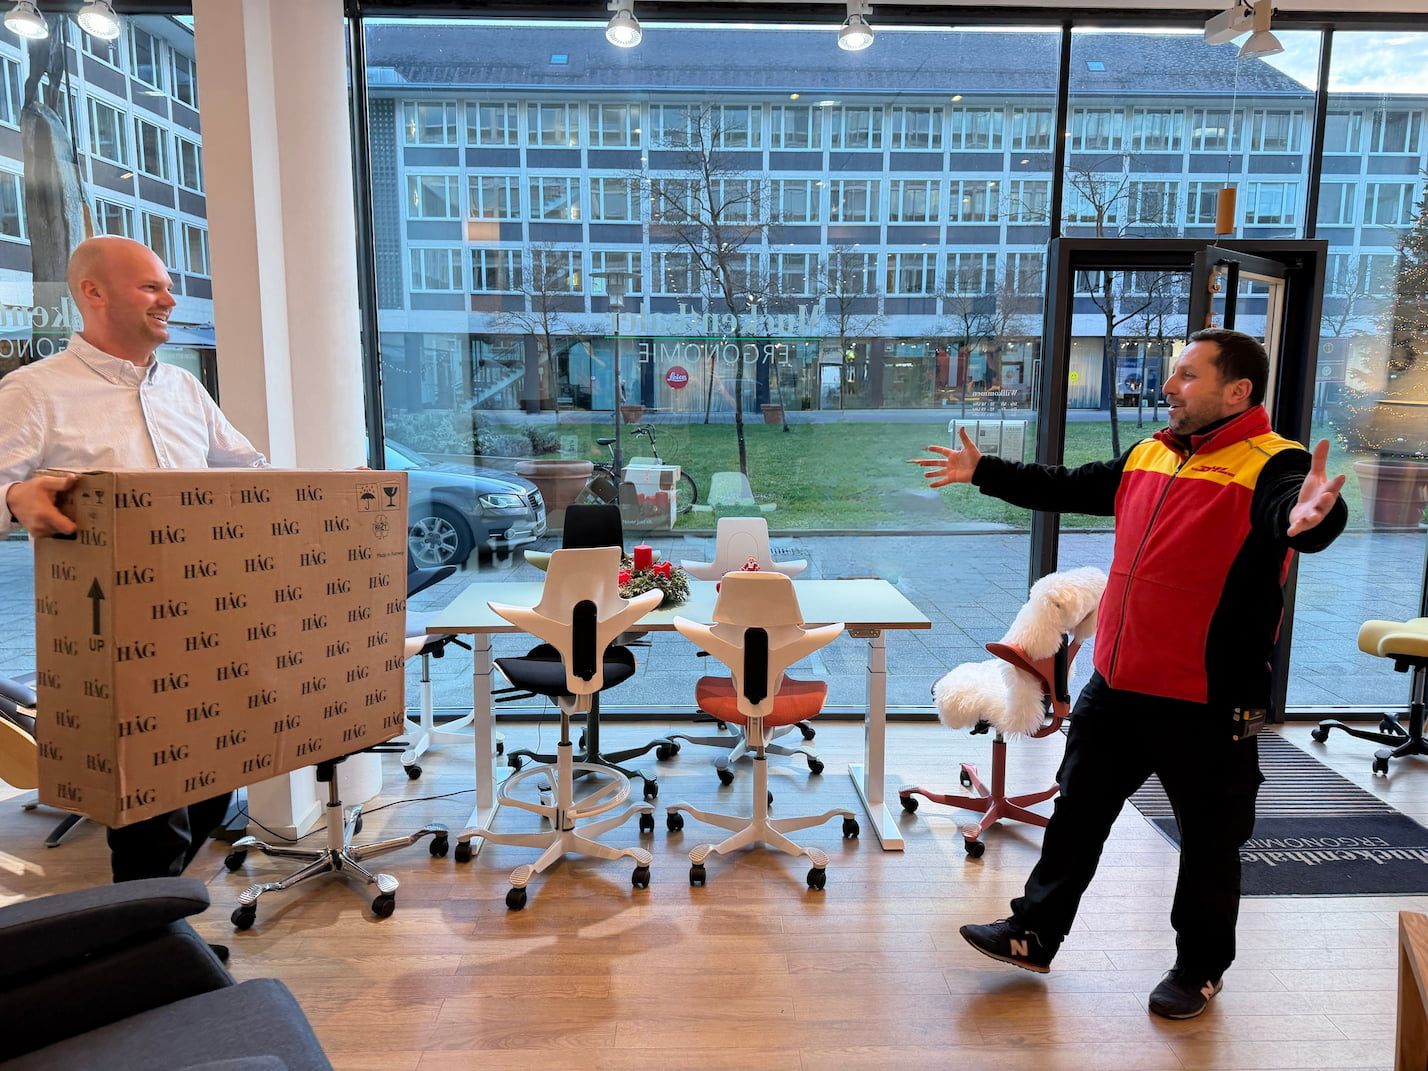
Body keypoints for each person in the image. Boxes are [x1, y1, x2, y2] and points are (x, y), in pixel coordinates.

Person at [910, 328, 1347, 1020]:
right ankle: (1034, 933)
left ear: (1238, 390)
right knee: (1075, 818)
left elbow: (1297, 510)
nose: (1169, 386)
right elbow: (1069, 484)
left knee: (1209, 844)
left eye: (1188, 375)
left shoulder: (1273, 464)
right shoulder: (1152, 452)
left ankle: (1200, 968)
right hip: (1117, 686)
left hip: (1207, 699)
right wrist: (983, 470)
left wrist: (1311, 518)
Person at [0, 235, 268, 891]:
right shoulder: (33, 391)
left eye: (166, 286)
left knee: (215, 782)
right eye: (151, 286)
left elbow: (250, 473)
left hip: (207, 618)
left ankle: (157, 918)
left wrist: (333, 490)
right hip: (109, 633)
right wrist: (15, 498)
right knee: (148, 811)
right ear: (93, 292)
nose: (168, 299)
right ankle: (145, 935)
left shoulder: (183, 388)